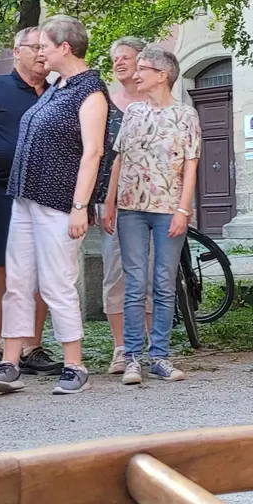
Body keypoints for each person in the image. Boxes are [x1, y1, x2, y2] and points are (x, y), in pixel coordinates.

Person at [0, 16, 109, 396]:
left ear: (64, 48)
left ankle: (75, 364)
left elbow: (94, 152)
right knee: (17, 282)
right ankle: (9, 362)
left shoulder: (90, 92)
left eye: (45, 46)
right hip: (25, 197)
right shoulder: (57, 87)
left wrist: (80, 206)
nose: (40, 52)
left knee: (57, 282)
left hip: (58, 200)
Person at [104, 46, 201, 383]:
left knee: (162, 282)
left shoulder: (186, 115)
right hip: (130, 209)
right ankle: (132, 358)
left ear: (162, 75)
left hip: (168, 210)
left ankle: (159, 355)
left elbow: (191, 164)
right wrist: (109, 202)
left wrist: (182, 209)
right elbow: (118, 158)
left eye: (143, 68)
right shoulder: (133, 113)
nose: (136, 73)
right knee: (134, 284)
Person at [0, 28, 60, 380]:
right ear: (16, 51)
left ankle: (31, 347)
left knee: (40, 272)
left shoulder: (58, 94)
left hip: (45, 193)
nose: (41, 54)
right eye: (34, 47)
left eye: (46, 48)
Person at [99, 36, 150, 374]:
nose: (118, 63)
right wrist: (102, 201)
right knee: (116, 273)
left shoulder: (156, 103)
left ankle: (145, 347)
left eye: (126, 57)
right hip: (116, 199)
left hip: (155, 199)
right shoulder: (104, 104)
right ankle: (120, 348)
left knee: (152, 274)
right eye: (115, 58)